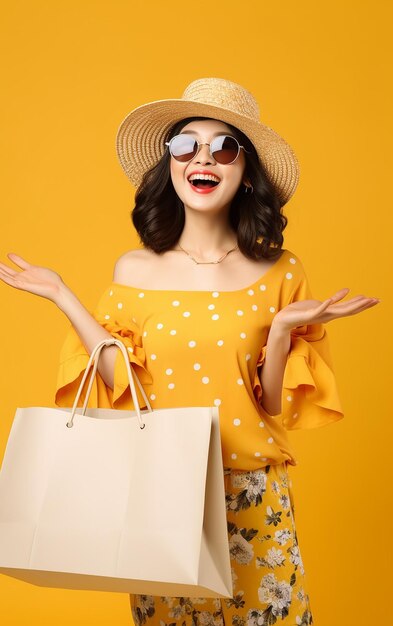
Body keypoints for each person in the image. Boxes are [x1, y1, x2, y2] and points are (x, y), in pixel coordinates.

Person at [0, 78, 380, 626]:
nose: (203, 158)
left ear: (246, 173)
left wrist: (280, 332)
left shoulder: (281, 269)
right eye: (186, 145)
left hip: (252, 491)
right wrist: (64, 296)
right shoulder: (135, 270)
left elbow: (270, 404)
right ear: (171, 164)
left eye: (224, 147)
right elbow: (120, 377)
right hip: (163, 491)